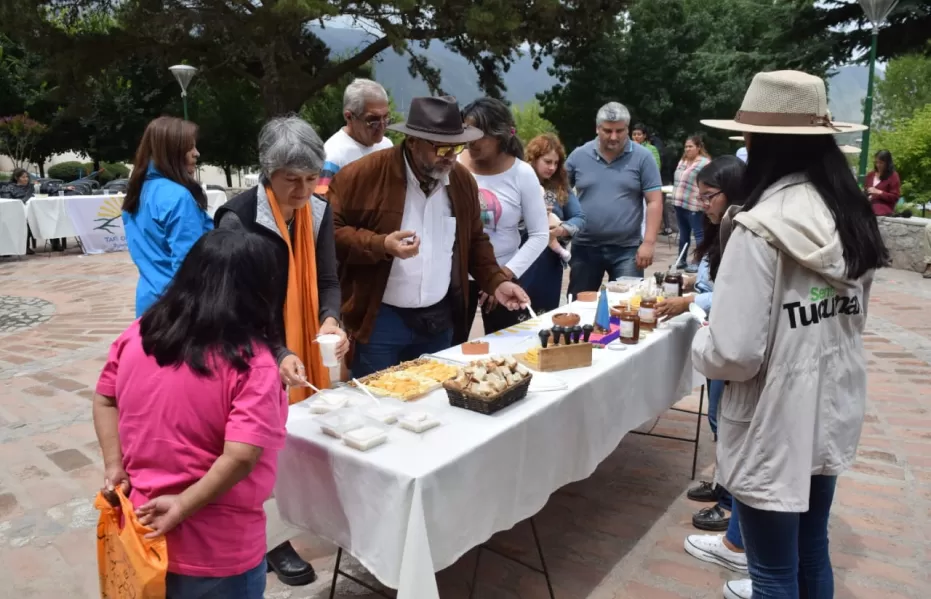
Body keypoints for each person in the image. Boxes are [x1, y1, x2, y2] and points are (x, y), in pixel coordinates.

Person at [694, 70, 887, 599]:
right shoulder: (851, 216)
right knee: (811, 550)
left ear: (763, 145)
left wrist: (698, 336)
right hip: (831, 403)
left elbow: (734, 352)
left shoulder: (761, 227)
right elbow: (854, 317)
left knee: (773, 573)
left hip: (773, 418)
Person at [92, 229, 288, 599]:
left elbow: (104, 399)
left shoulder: (138, 335)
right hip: (218, 548)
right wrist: (182, 505)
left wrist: (113, 466)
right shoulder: (252, 364)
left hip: (141, 530)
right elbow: (242, 454)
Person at [215, 116, 348, 586]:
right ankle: (272, 543)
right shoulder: (239, 219)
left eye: (312, 179)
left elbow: (328, 280)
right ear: (267, 172)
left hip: (305, 342)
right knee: (262, 446)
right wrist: (277, 351)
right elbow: (235, 306)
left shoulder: (318, 210)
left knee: (305, 439)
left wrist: (331, 318)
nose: (303, 191)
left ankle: (307, 517)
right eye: (292, 180)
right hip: (253, 347)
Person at [329, 95, 530, 378]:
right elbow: (331, 234)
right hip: (379, 320)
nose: (450, 156)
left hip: (439, 320)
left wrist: (496, 281)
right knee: (375, 410)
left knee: (434, 408)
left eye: (456, 146)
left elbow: (474, 241)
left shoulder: (461, 181)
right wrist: (381, 244)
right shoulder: (362, 176)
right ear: (413, 141)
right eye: (440, 147)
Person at [654, 156, 750, 577]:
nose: (704, 204)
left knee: (726, 418)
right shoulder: (719, 231)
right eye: (701, 196)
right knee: (716, 416)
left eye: (710, 196)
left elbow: (733, 293)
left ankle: (730, 503)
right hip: (714, 337)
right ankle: (723, 485)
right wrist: (693, 283)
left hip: (727, 339)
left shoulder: (743, 233)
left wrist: (690, 300)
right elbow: (713, 280)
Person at [458, 98, 548, 335]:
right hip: (456, 277)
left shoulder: (522, 173)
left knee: (504, 348)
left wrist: (500, 276)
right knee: (450, 349)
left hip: (506, 272)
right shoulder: (454, 165)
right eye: (467, 132)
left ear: (499, 136)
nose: (471, 142)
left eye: (480, 134)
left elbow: (540, 235)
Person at [565, 102, 663, 296]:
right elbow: (560, 192)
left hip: (627, 250)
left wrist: (649, 243)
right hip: (585, 246)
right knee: (580, 305)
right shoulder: (578, 156)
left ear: (628, 128)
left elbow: (654, 201)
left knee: (627, 307)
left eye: (620, 131)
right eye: (607, 131)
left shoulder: (643, 158)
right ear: (597, 128)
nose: (614, 137)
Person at [122, 116, 213, 317]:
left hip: (148, 303)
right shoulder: (178, 197)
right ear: (172, 151)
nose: (196, 153)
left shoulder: (137, 192)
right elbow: (189, 265)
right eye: (190, 148)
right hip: (178, 311)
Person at [520, 134, 586, 313]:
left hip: (548, 264)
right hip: (519, 261)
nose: (552, 167)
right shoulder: (517, 181)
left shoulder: (560, 186)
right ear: (533, 158)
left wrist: (561, 230)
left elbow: (579, 217)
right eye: (547, 162)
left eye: (556, 163)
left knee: (544, 317)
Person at [316, 78, 394, 195]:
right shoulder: (333, 156)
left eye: (386, 118)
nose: (382, 126)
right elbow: (321, 206)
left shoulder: (387, 146)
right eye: (373, 120)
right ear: (349, 117)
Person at [672, 135, 712, 273]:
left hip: (694, 204)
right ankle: (681, 260)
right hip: (679, 202)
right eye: (686, 146)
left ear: (698, 147)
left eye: (690, 146)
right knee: (684, 234)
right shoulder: (683, 161)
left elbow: (708, 182)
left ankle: (698, 262)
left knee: (699, 234)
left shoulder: (704, 163)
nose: (687, 149)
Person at [864, 149, 901, 216]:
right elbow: (866, 191)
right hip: (869, 204)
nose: (878, 165)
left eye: (881, 163)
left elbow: (895, 197)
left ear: (887, 163)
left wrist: (879, 192)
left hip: (883, 207)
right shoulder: (870, 175)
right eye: (876, 162)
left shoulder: (893, 176)